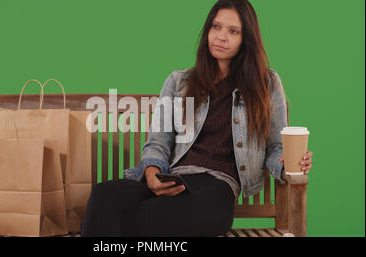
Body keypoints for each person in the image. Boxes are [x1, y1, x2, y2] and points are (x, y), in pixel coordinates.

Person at [80, 0, 314, 237]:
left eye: (233, 31)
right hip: (174, 177)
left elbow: (276, 147)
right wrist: (151, 173)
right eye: (216, 27)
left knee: (198, 213)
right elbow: (158, 141)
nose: (221, 36)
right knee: (105, 195)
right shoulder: (179, 81)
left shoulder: (267, 84)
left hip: (218, 186)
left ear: (247, 39)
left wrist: (288, 162)